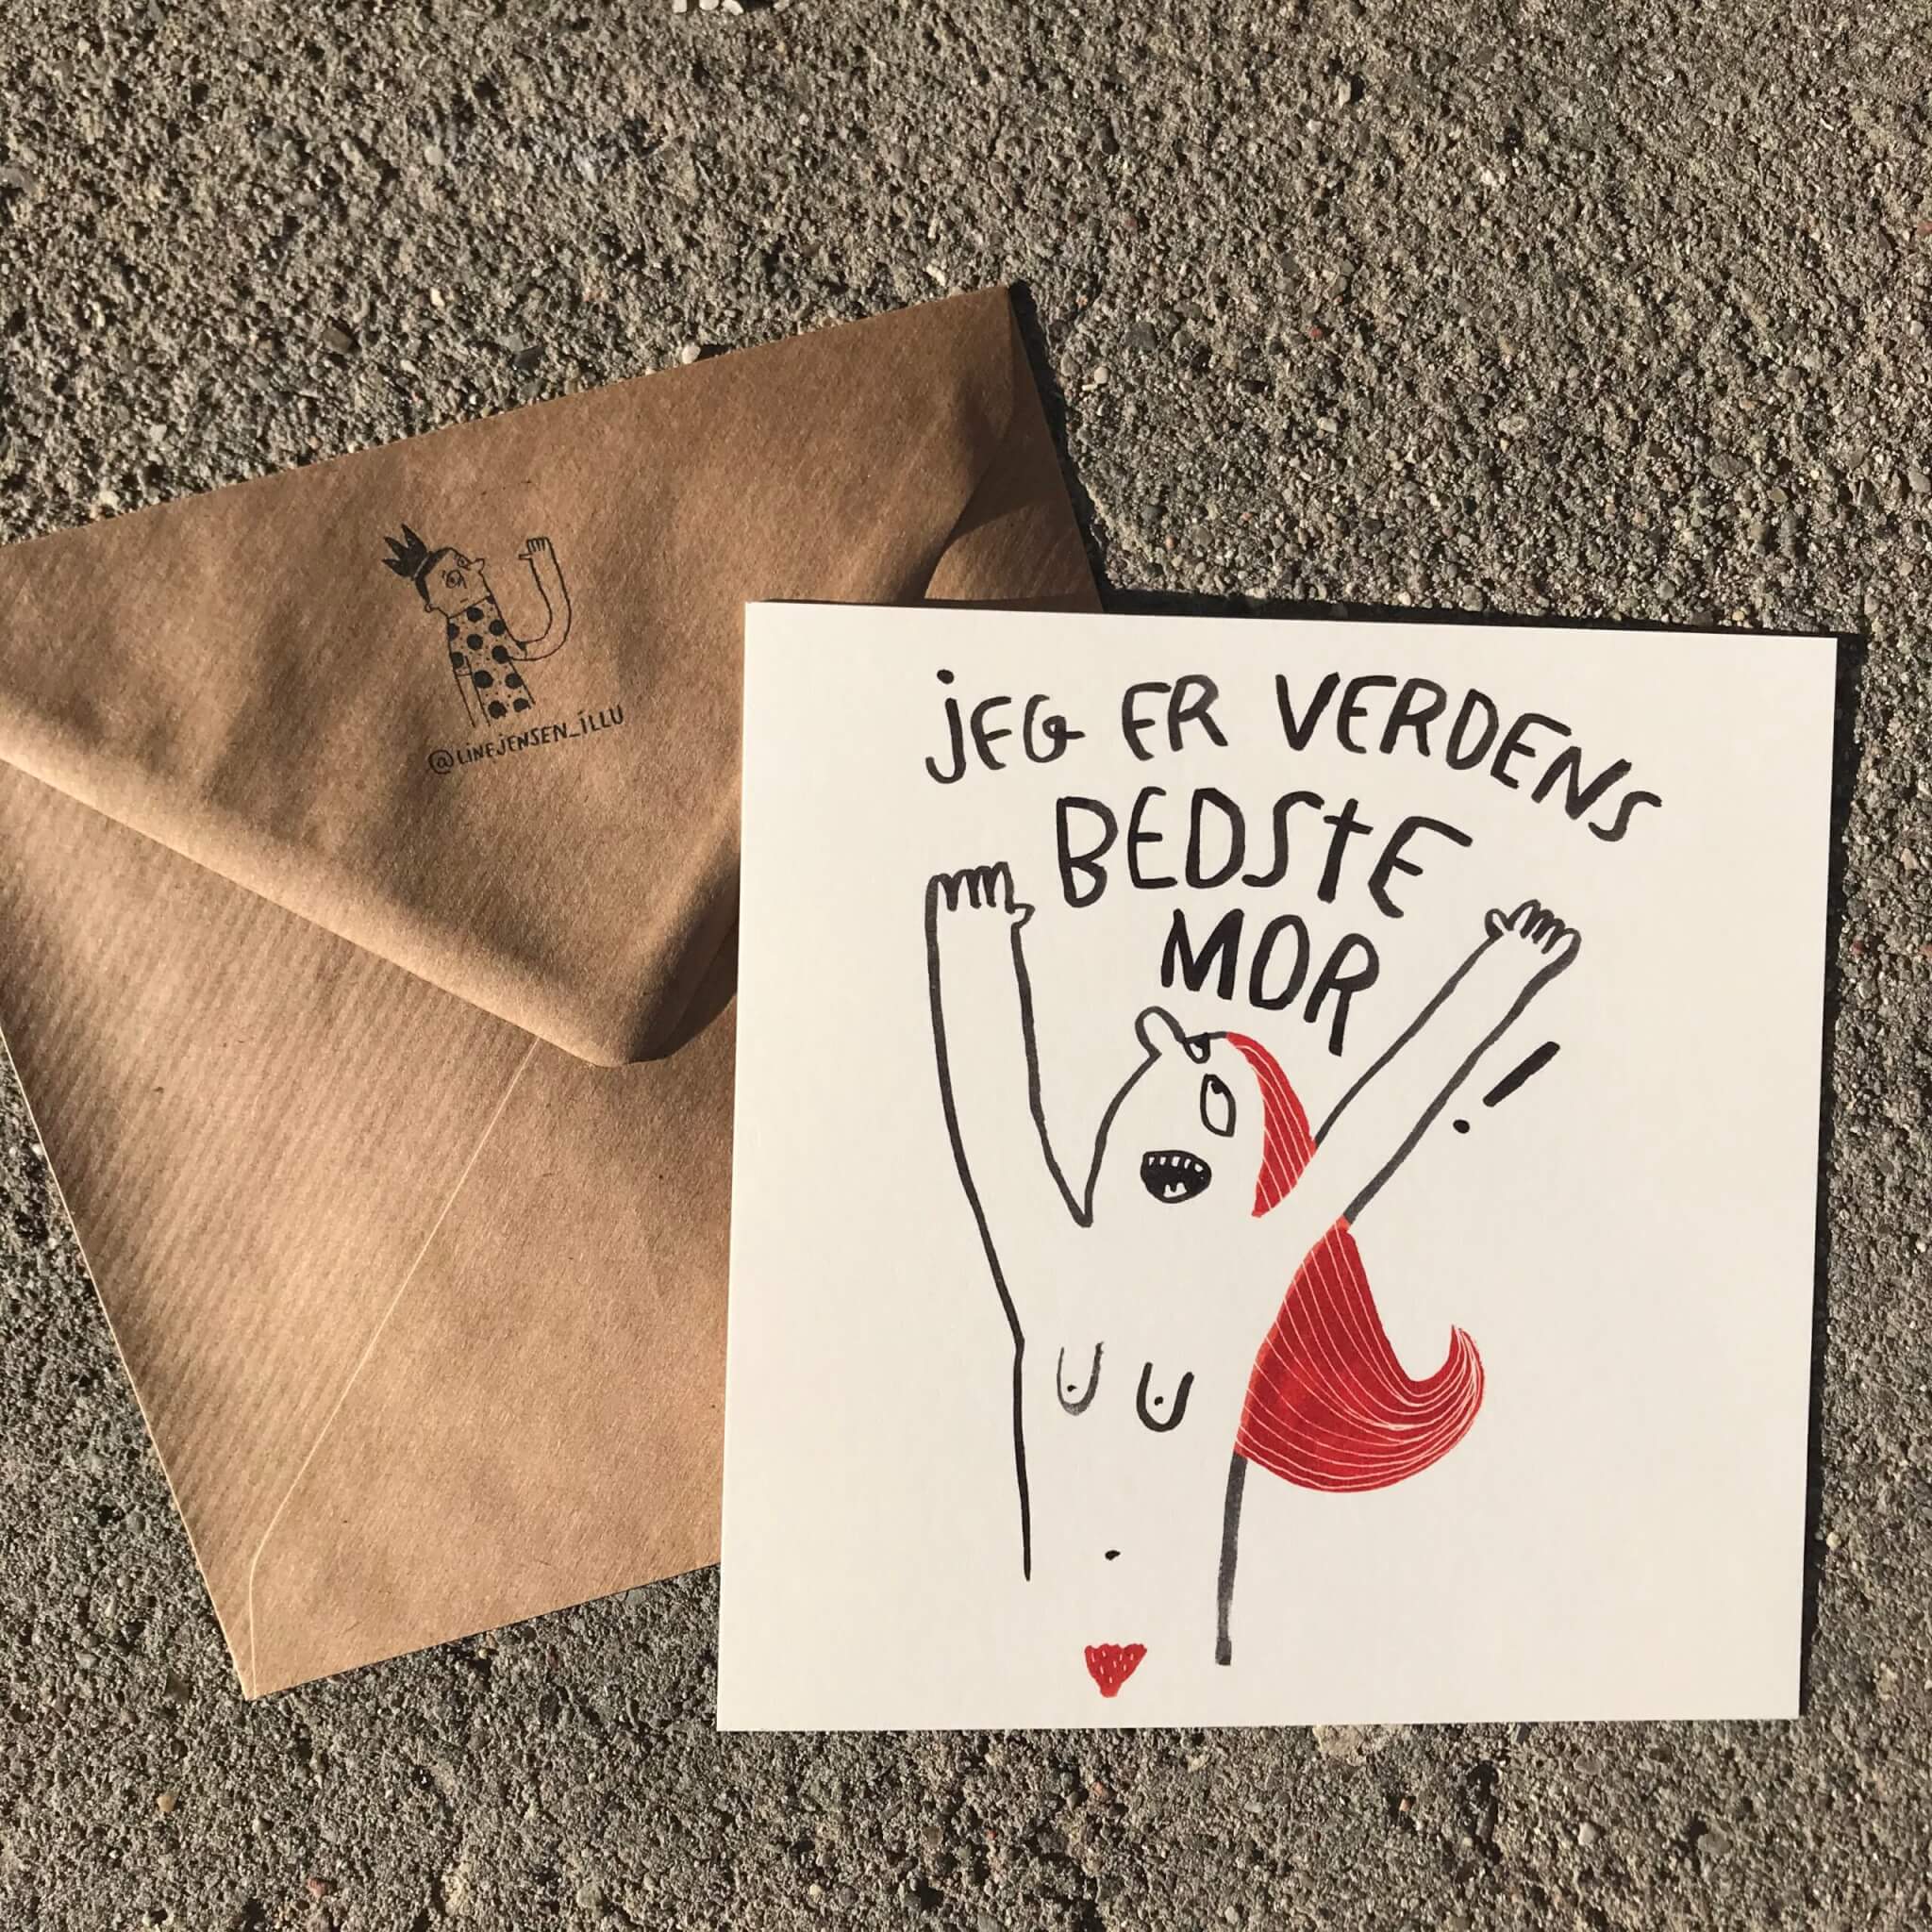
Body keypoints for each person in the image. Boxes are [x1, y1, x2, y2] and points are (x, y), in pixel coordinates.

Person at [924, 861, 1579, 1694]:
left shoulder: (1241, 1275)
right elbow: (997, 1131)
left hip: (1183, 1660)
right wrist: (972, 946)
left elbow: (1372, 1128)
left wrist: (1502, 972)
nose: (1183, 1125)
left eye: (1219, 1114)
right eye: (1163, 1094)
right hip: (1030, 1656)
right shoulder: (1053, 1261)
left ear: (1258, 1179)